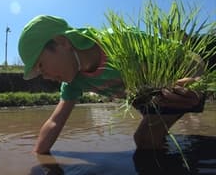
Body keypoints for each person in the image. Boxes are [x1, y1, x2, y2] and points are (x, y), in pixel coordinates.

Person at [18, 15, 205, 154]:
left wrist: (196, 84)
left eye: (41, 66)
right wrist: (38, 157)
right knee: (149, 139)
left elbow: (193, 59)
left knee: (144, 140)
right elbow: (55, 121)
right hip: (147, 99)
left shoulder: (120, 42)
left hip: (179, 91)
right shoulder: (74, 79)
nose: (45, 76)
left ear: (62, 42)